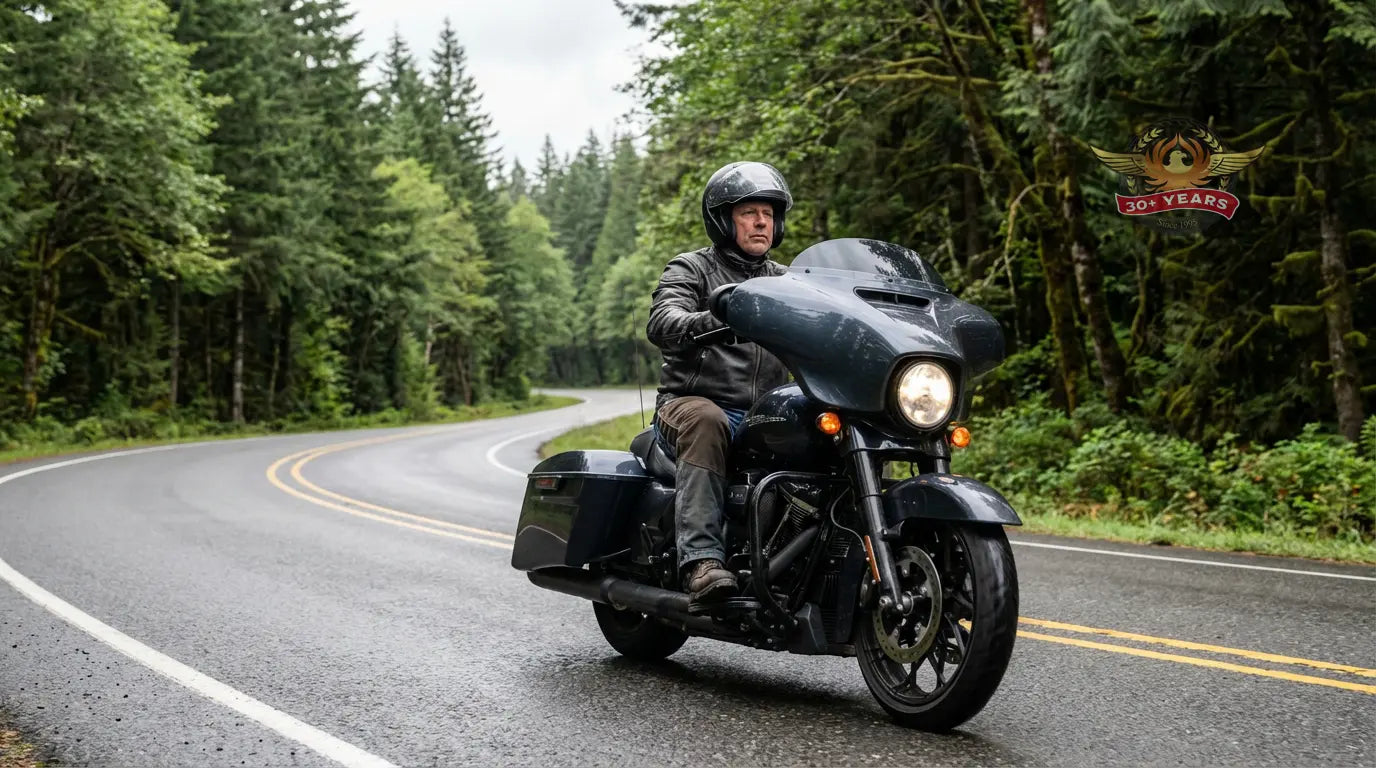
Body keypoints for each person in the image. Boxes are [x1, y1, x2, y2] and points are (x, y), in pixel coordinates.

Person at [645, 161, 794, 607]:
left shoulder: (789, 282)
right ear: (724, 220)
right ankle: (701, 561)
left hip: (764, 414)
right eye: (749, 212)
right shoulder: (692, 268)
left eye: (768, 213)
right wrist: (717, 319)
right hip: (690, 405)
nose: (761, 221)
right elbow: (663, 320)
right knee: (706, 420)